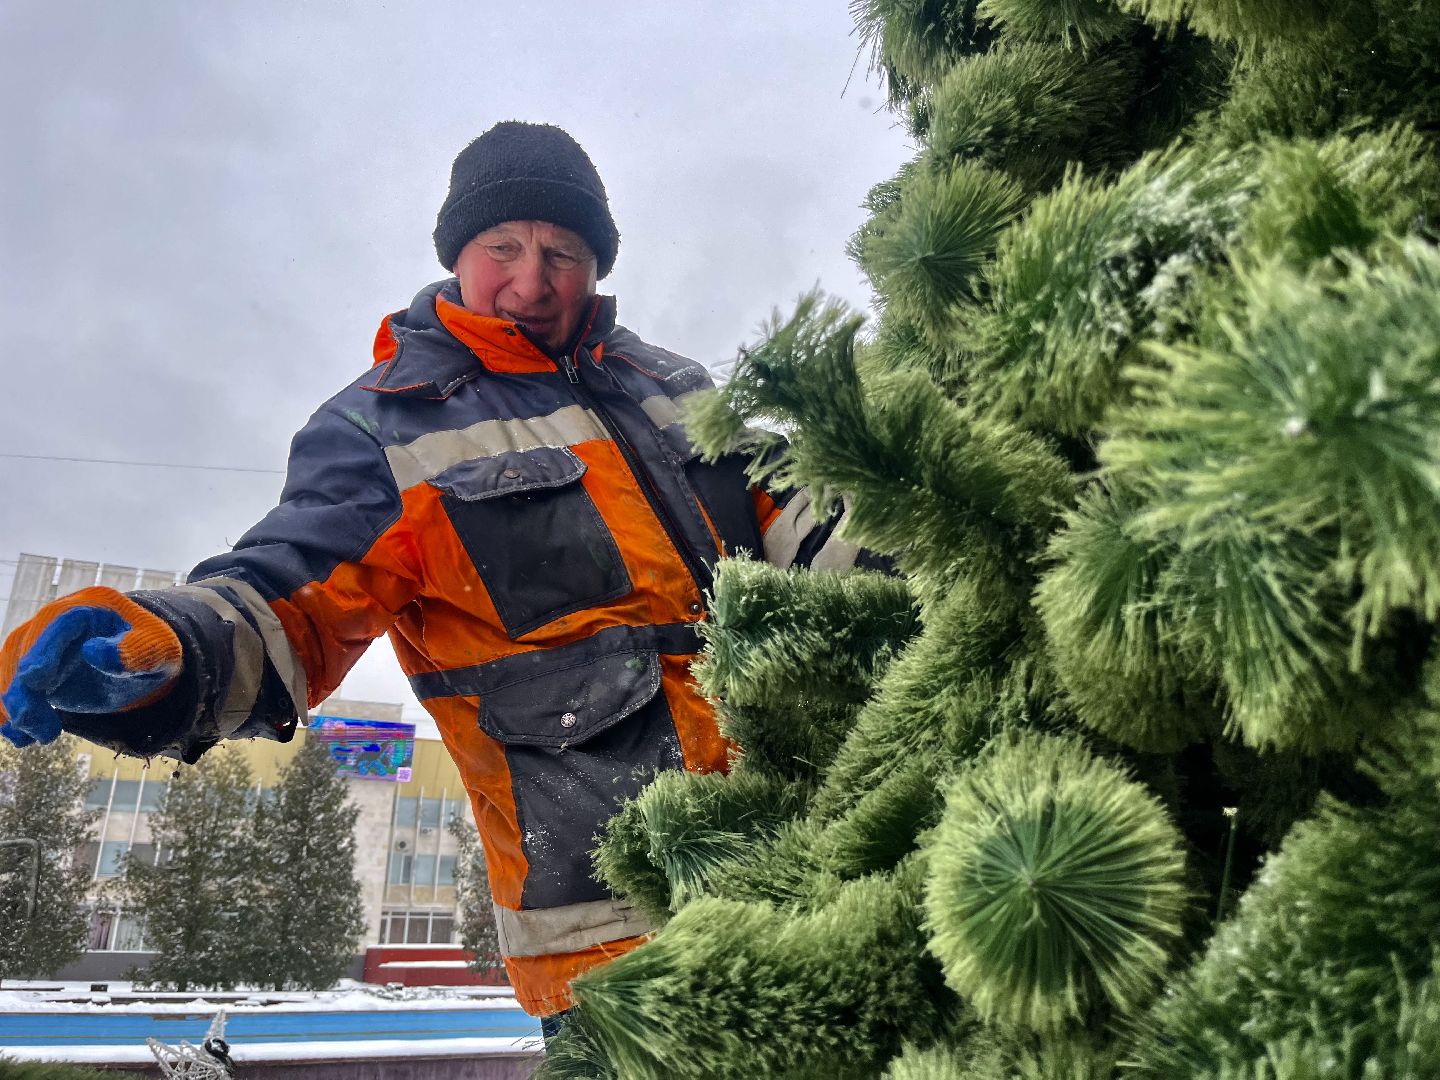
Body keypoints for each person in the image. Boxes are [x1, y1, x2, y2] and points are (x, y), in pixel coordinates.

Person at [0, 121, 864, 1018]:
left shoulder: (672, 385)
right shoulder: (389, 425)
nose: (532, 280)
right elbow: (288, 601)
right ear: (459, 253)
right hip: (615, 931)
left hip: (808, 860)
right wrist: (168, 644)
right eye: (504, 248)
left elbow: (809, 526)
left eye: (562, 252)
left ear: (598, 265)